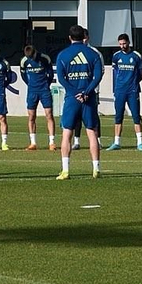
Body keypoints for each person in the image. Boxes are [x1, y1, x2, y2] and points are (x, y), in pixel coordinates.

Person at [55, 25, 104, 180]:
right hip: (88, 99)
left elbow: (61, 78)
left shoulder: (63, 55)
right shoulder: (93, 54)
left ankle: (66, 170)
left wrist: (74, 92)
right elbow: (97, 77)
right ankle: (96, 169)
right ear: (84, 36)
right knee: (92, 133)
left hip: (72, 99)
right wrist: (86, 91)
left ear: (70, 38)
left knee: (67, 133)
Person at [107, 34, 142, 151]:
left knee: (136, 116)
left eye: (124, 43)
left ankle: (139, 142)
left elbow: (140, 74)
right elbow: (115, 72)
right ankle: (117, 141)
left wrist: (133, 83)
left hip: (132, 90)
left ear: (129, 42)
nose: (122, 46)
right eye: (120, 44)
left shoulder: (136, 56)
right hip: (120, 91)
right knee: (118, 116)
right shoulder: (116, 56)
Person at [18, 46, 56, 151]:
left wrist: (45, 85)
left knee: (49, 114)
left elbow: (51, 74)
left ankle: (52, 142)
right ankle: (33, 142)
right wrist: (30, 84)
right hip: (32, 91)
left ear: (35, 52)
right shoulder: (24, 61)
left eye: (32, 56)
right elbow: (23, 75)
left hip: (44, 90)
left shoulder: (44, 58)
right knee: (31, 116)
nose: (32, 59)